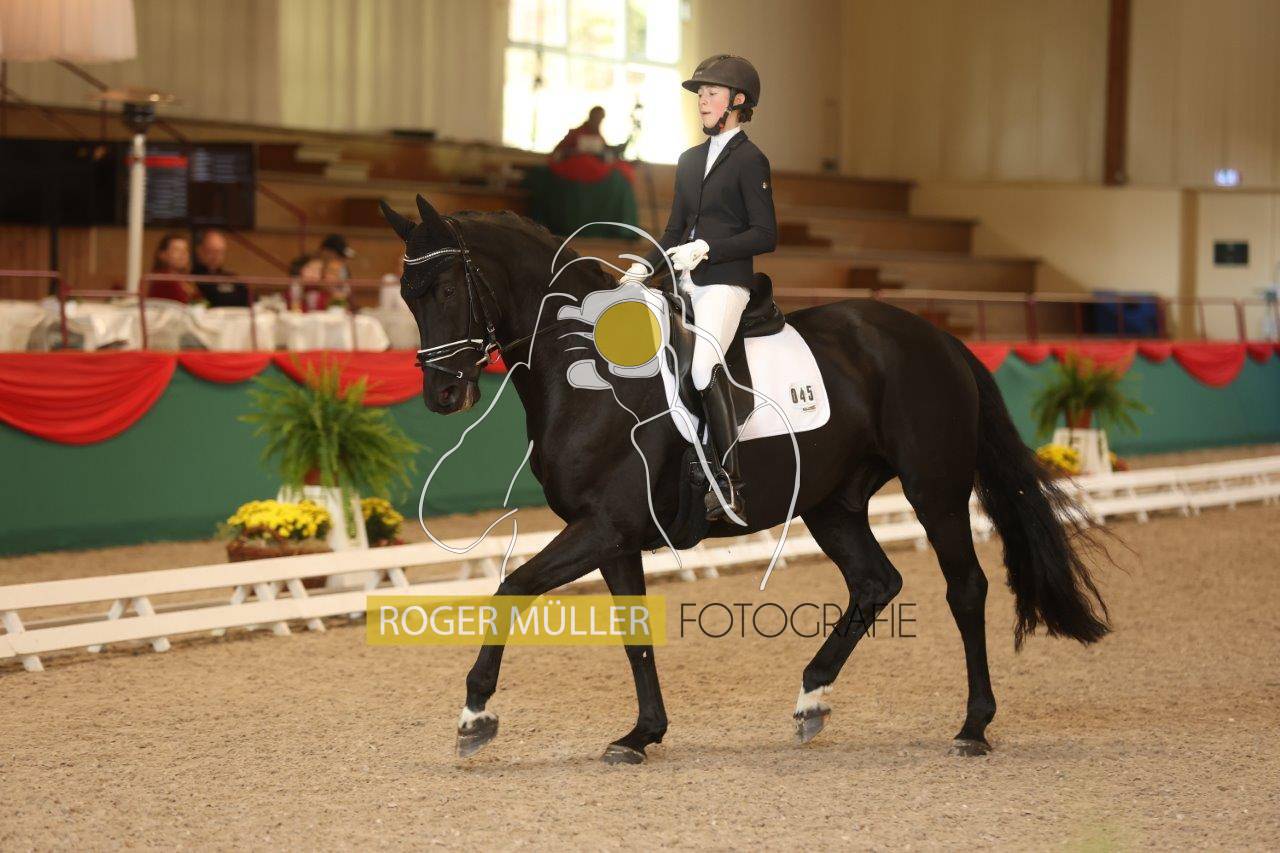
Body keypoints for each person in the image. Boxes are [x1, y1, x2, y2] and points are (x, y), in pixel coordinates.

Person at [620, 54, 776, 523]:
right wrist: (642, 267)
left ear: (738, 101)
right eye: (700, 94)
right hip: (681, 281)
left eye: (711, 93)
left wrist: (708, 248)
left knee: (704, 368)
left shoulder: (750, 160)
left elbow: (765, 234)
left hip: (724, 284)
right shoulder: (689, 161)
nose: (703, 101)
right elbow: (673, 231)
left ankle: (729, 483)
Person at [191, 229, 249, 307]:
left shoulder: (232, 278)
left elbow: (248, 298)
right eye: (211, 251)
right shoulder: (192, 279)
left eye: (220, 252)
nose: (216, 256)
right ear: (200, 251)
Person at [146, 234, 198, 303]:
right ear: (163, 254)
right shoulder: (162, 279)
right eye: (176, 250)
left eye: (185, 250)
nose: (183, 254)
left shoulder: (186, 279)